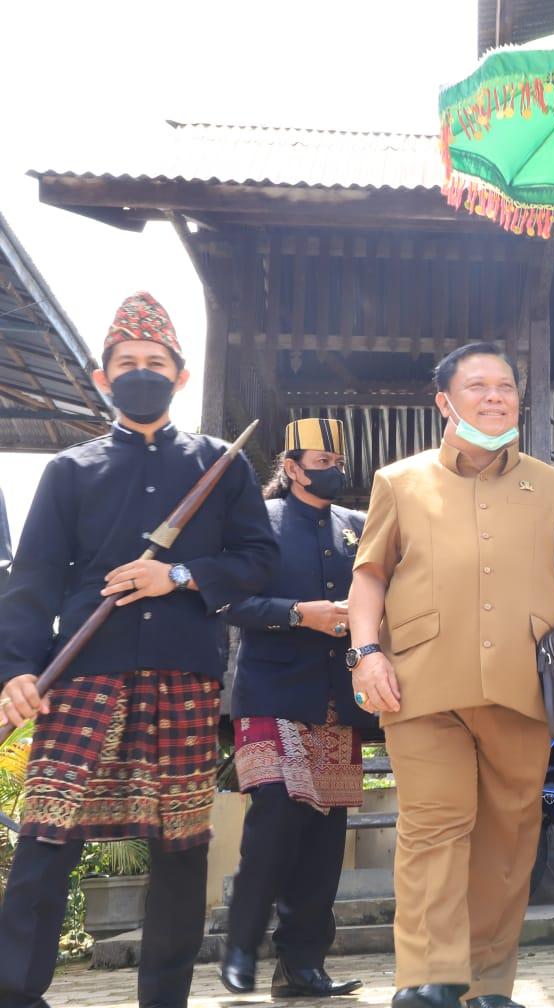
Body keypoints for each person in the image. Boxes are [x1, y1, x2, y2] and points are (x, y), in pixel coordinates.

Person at [0, 293, 277, 1008]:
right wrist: (18, 670)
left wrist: (179, 575)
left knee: (181, 851)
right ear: (102, 378)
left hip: (184, 675)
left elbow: (256, 559)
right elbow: (31, 582)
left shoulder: (222, 465)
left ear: (180, 377)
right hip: (85, 674)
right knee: (45, 840)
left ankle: (164, 1000)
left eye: (155, 364)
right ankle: (17, 993)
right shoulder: (69, 470)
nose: (141, 373)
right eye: (127, 364)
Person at [346, 342, 554, 1008]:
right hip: (420, 682)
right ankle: (429, 978)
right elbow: (369, 576)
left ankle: (487, 984)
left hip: (519, 684)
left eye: (506, 386)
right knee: (434, 828)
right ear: (445, 401)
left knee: (508, 837)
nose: (495, 396)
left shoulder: (553, 487)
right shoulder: (399, 481)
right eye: (478, 386)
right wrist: (366, 653)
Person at [219, 418, 379, 999]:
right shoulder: (258, 523)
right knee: (276, 820)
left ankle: (301, 966)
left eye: (338, 457)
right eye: (320, 458)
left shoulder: (357, 527)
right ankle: (238, 945)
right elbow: (229, 600)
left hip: (336, 700)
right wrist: (298, 613)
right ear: (290, 467)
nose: (332, 467)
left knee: (322, 840)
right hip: (272, 693)